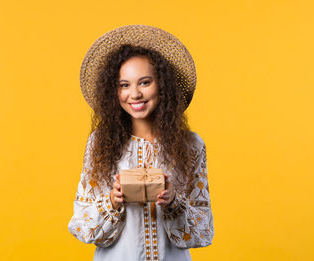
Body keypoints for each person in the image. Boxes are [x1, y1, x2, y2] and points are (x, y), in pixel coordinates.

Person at [68, 24, 214, 261]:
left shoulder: (191, 145)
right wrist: (111, 202)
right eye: (124, 85)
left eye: (144, 82)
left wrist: (173, 203)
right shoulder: (100, 142)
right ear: (113, 92)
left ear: (163, 85)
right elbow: (81, 225)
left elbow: (203, 230)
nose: (134, 94)